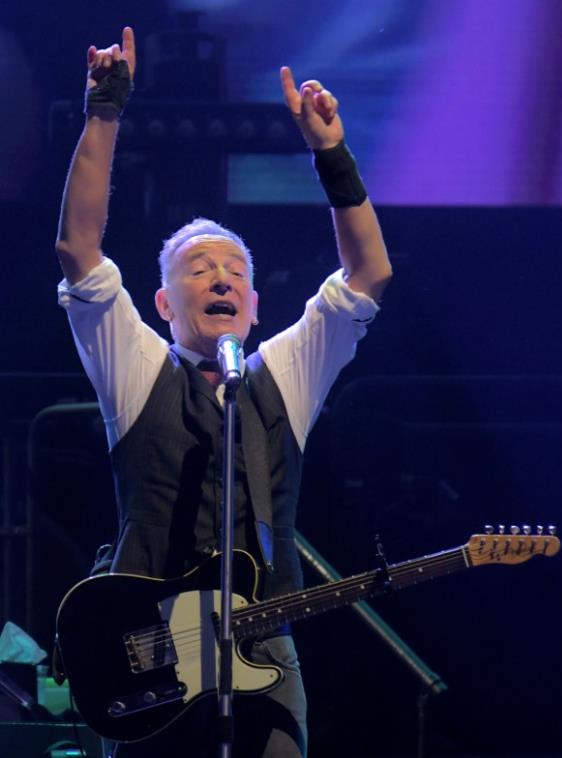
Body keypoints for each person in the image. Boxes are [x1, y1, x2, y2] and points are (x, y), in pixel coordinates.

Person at [55, 26, 392, 758]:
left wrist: (331, 153)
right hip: (148, 659)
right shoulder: (140, 368)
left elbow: (368, 274)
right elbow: (80, 251)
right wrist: (106, 109)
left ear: (254, 304)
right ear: (165, 303)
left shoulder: (280, 375)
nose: (221, 279)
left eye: (235, 271)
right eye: (201, 269)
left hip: (263, 651)